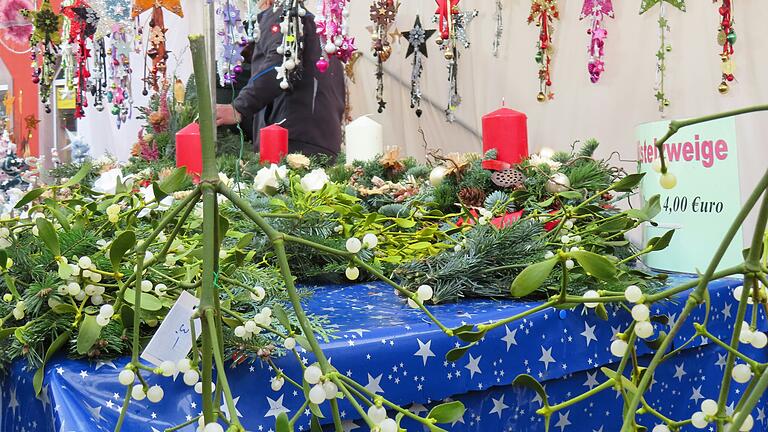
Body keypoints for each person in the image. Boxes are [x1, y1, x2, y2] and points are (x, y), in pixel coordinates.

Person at [216, 0, 345, 159]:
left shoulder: (283, 15)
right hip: (325, 142)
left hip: (290, 140)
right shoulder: (320, 29)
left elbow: (280, 64)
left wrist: (238, 108)